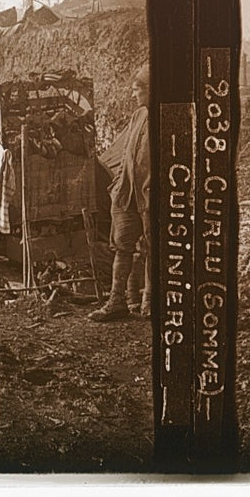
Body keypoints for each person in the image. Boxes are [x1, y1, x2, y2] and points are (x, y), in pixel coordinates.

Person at [89, 72, 151, 322]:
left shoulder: (169, 118)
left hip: (149, 195)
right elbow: (127, 153)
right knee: (122, 245)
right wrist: (117, 185)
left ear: (150, 89)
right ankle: (117, 301)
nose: (133, 94)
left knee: (151, 247)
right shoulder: (138, 116)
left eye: (137, 89)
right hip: (126, 193)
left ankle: (148, 302)